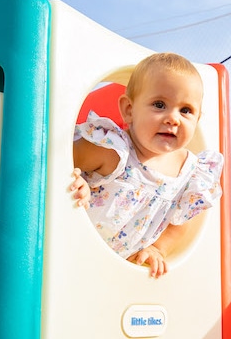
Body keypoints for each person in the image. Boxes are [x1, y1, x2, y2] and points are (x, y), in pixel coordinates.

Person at [69, 52, 223, 278]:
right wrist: (74, 178)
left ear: (197, 119)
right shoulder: (113, 150)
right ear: (129, 110)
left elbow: (180, 223)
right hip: (70, 250)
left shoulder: (191, 175)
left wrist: (158, 248)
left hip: (116, 272)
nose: (173, 118)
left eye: (186, 110)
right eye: (159, 105)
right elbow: (56, 161)